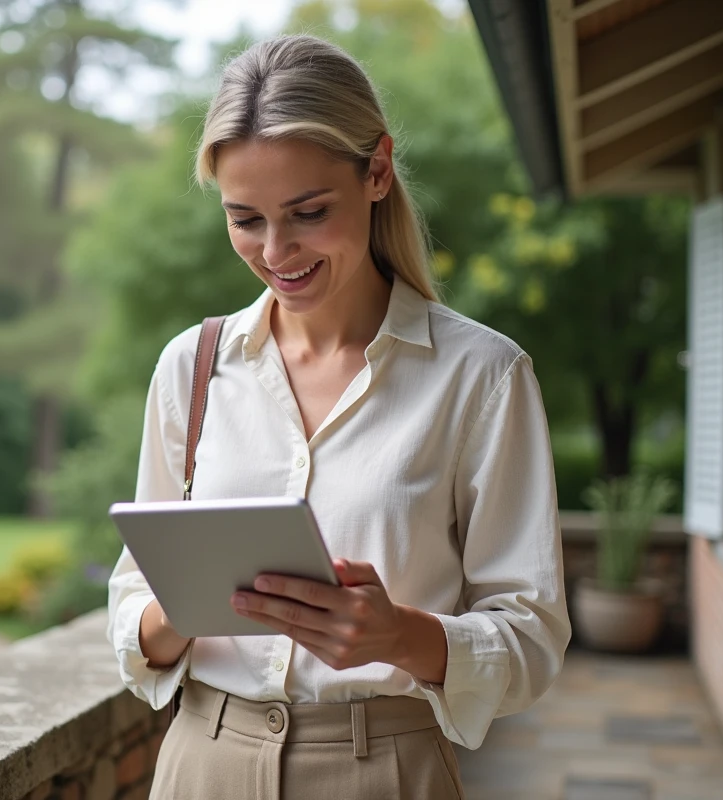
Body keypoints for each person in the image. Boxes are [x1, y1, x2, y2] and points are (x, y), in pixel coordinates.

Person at [105, 33, 571, 800]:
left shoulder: (481, 376)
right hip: (201, 764)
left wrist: (401, 636)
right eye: (244, 218)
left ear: (378, 171)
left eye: (308, 212)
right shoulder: (191, 367)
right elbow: (132, 602)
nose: (276, 250)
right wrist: (174, 616)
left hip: (387, 771)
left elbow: (532, 638)